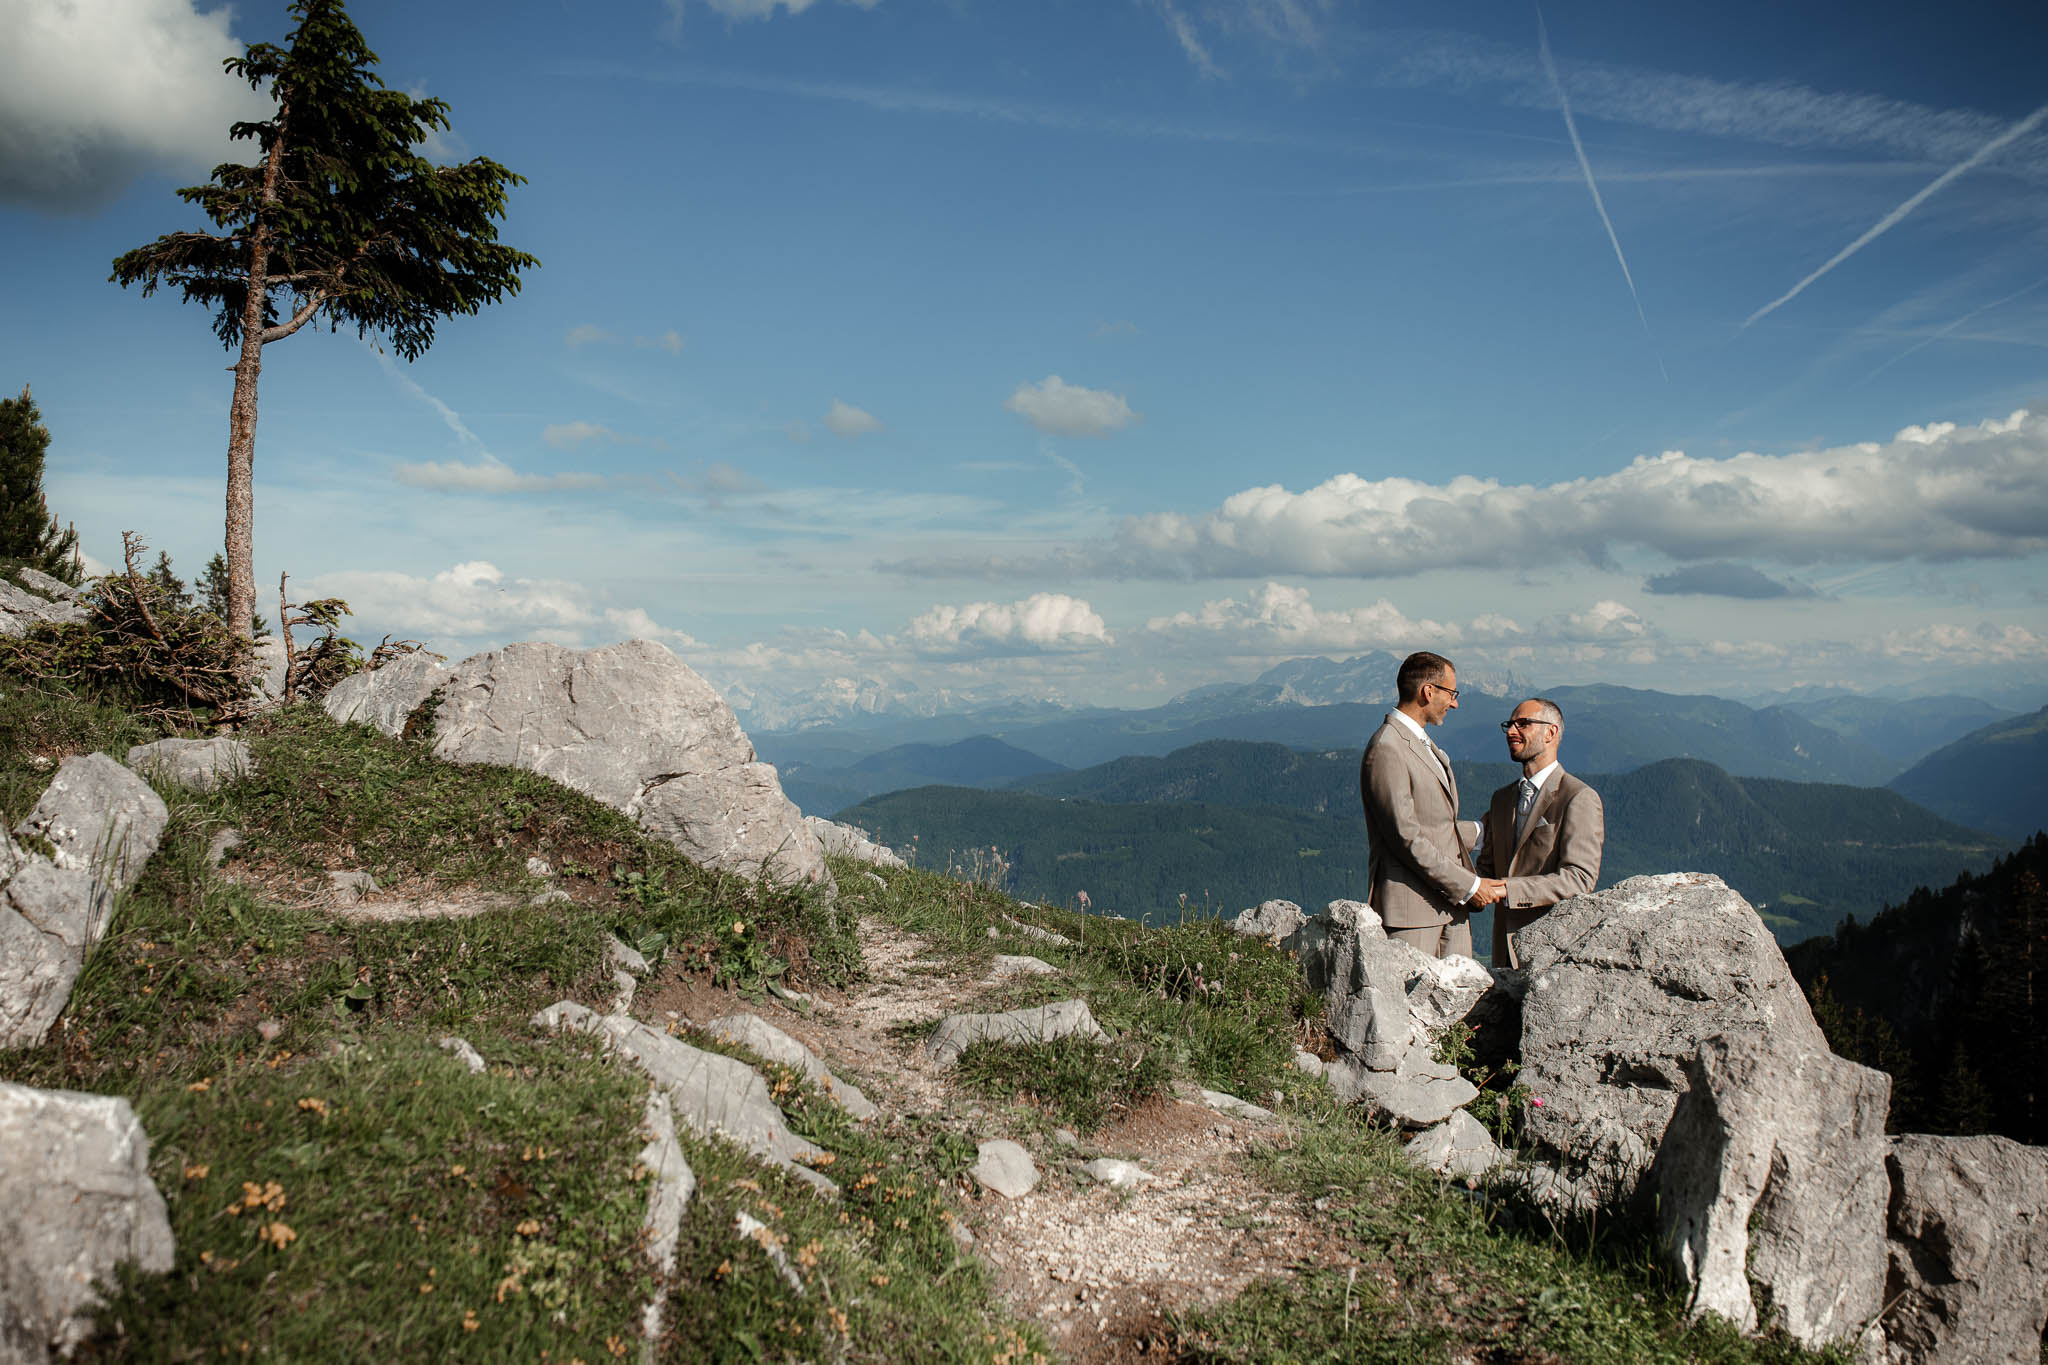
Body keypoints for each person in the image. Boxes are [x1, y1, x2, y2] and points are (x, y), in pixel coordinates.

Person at [1359, 651, 1498, 958]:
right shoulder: (1388, 748)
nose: (1455, 703)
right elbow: (1405, 837)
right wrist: (1470, 886)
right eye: (1452, 693)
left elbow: (1431, 824)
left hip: (1449, 909)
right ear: (1428, 691)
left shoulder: (1419, 742)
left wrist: (1480, 831)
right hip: (1410, 915)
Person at [1473, 696, 1605, 968]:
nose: (1511, 731)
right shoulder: (1501, 799)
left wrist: (1509, 889)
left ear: (1551, 732)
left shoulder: (1578, 797)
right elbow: (1486, 869)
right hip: (1502, 952)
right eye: (1509, 724)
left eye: (1523, 724)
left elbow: (1580, 879)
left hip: (1552, 952)